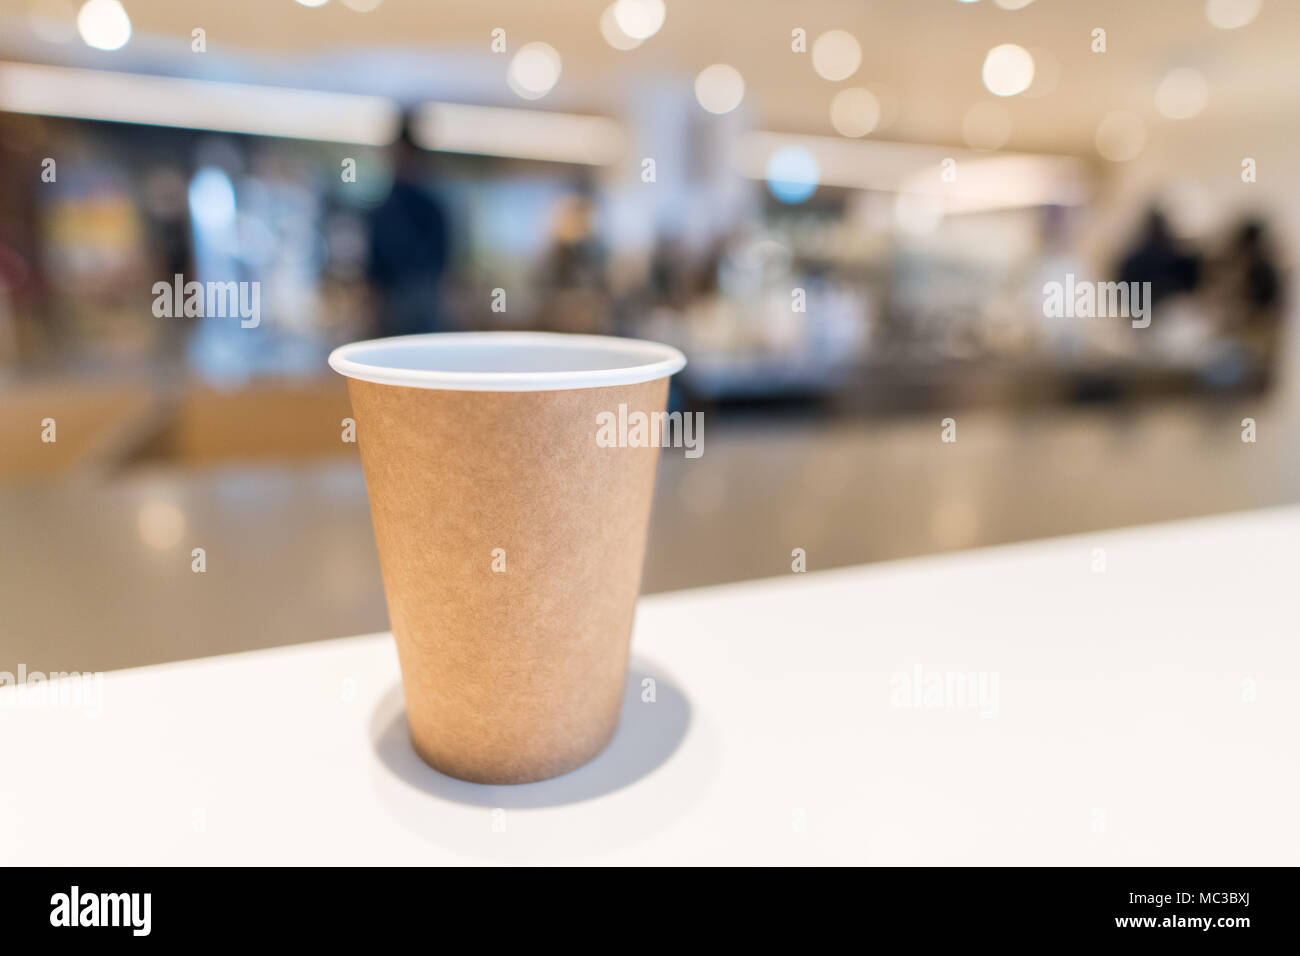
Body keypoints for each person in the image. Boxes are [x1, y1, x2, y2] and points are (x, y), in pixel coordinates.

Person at [367, 112, 450, 337]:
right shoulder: (383, 209)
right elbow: (374, 270)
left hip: (422, 298)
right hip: (393, 301)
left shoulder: (431, 206)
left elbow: (443, 265)